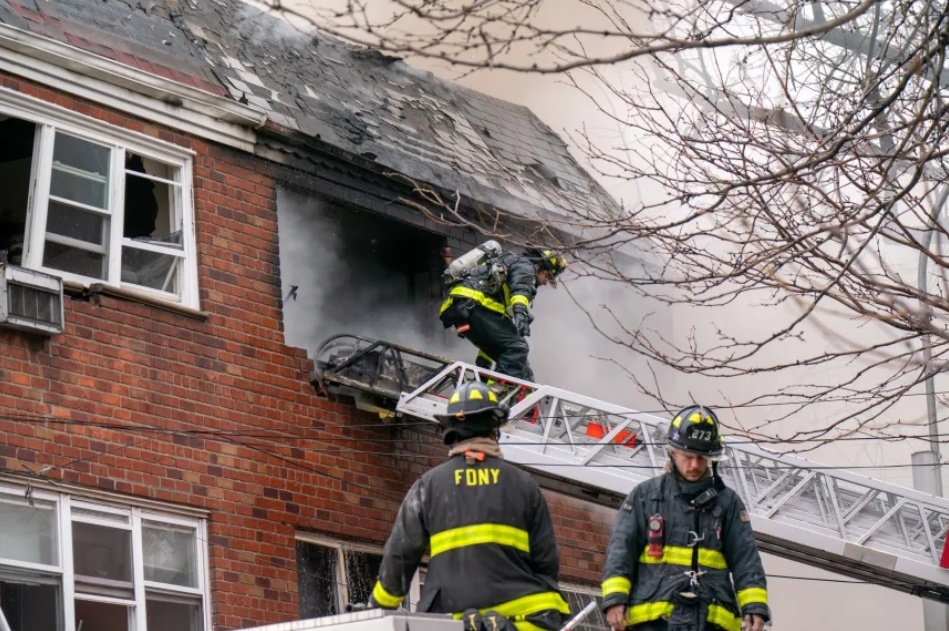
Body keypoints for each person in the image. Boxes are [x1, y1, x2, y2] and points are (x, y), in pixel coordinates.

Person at [368, 381, 571, 631]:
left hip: (451, 619)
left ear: (451, 433)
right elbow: (546, 562)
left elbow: (401, 555)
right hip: (521, 619)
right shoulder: (524, 484)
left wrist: (377, 607)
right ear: (494, 430)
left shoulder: (428, 486)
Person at [600, 405, 770, 631]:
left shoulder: (728, 504)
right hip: (654, 620)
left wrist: (754, 606)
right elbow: (621, 550)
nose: (695, 465)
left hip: (711, 619)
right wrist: (615, 598)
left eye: (702, 457)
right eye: (689, 456)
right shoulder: (645, 497)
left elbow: (746, 558)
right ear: (673, 452)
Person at [439, 247, 567, 382]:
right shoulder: (525, 266)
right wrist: (521, 313)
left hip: (465, 309)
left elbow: (495, 339)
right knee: (517, 348)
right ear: (539, 266)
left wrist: (484, 363)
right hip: (474, 305)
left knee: (521, 365)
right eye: (547, 276)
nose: (545, 283)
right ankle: (493, 391)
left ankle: (485, 385)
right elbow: (521, 288)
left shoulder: (511, 267)